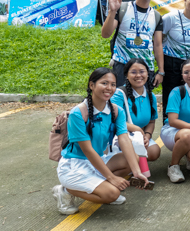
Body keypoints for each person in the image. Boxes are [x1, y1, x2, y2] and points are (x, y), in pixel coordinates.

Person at [53, 68, 148, 215]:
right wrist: (112, 178)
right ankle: (65, 190)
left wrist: (137, 172)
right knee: (112, 194)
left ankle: (101, 185)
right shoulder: (78, 113)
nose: (109, 88)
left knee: (132, 159)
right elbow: (88, 151)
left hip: (99, 159)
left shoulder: (116, 111)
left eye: (113, 84)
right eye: (104, 83)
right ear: (92, 85)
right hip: (75, 165)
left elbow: (124, 139)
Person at [101, 0, 165, 88]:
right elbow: (105, 34)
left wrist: (161, 71)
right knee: (121, 101)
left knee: (143, 103)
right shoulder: (123, 8)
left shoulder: (156, 16)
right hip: (123, 66)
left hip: (145, 68)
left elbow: (158, 45)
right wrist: (112, 11)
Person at [110, 58, 160, 165]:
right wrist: (137, 129)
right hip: (119, 135)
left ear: (147, 74)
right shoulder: (119, 94)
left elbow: (151, 121)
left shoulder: (151, 96)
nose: (138, 75)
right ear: (126, 75)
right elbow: (114, 120)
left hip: (138, 135)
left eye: (142, 71)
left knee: (154, 152)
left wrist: (147, 135)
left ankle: (132, 164)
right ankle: (128, 165)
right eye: (133, 72)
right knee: (135, 151)